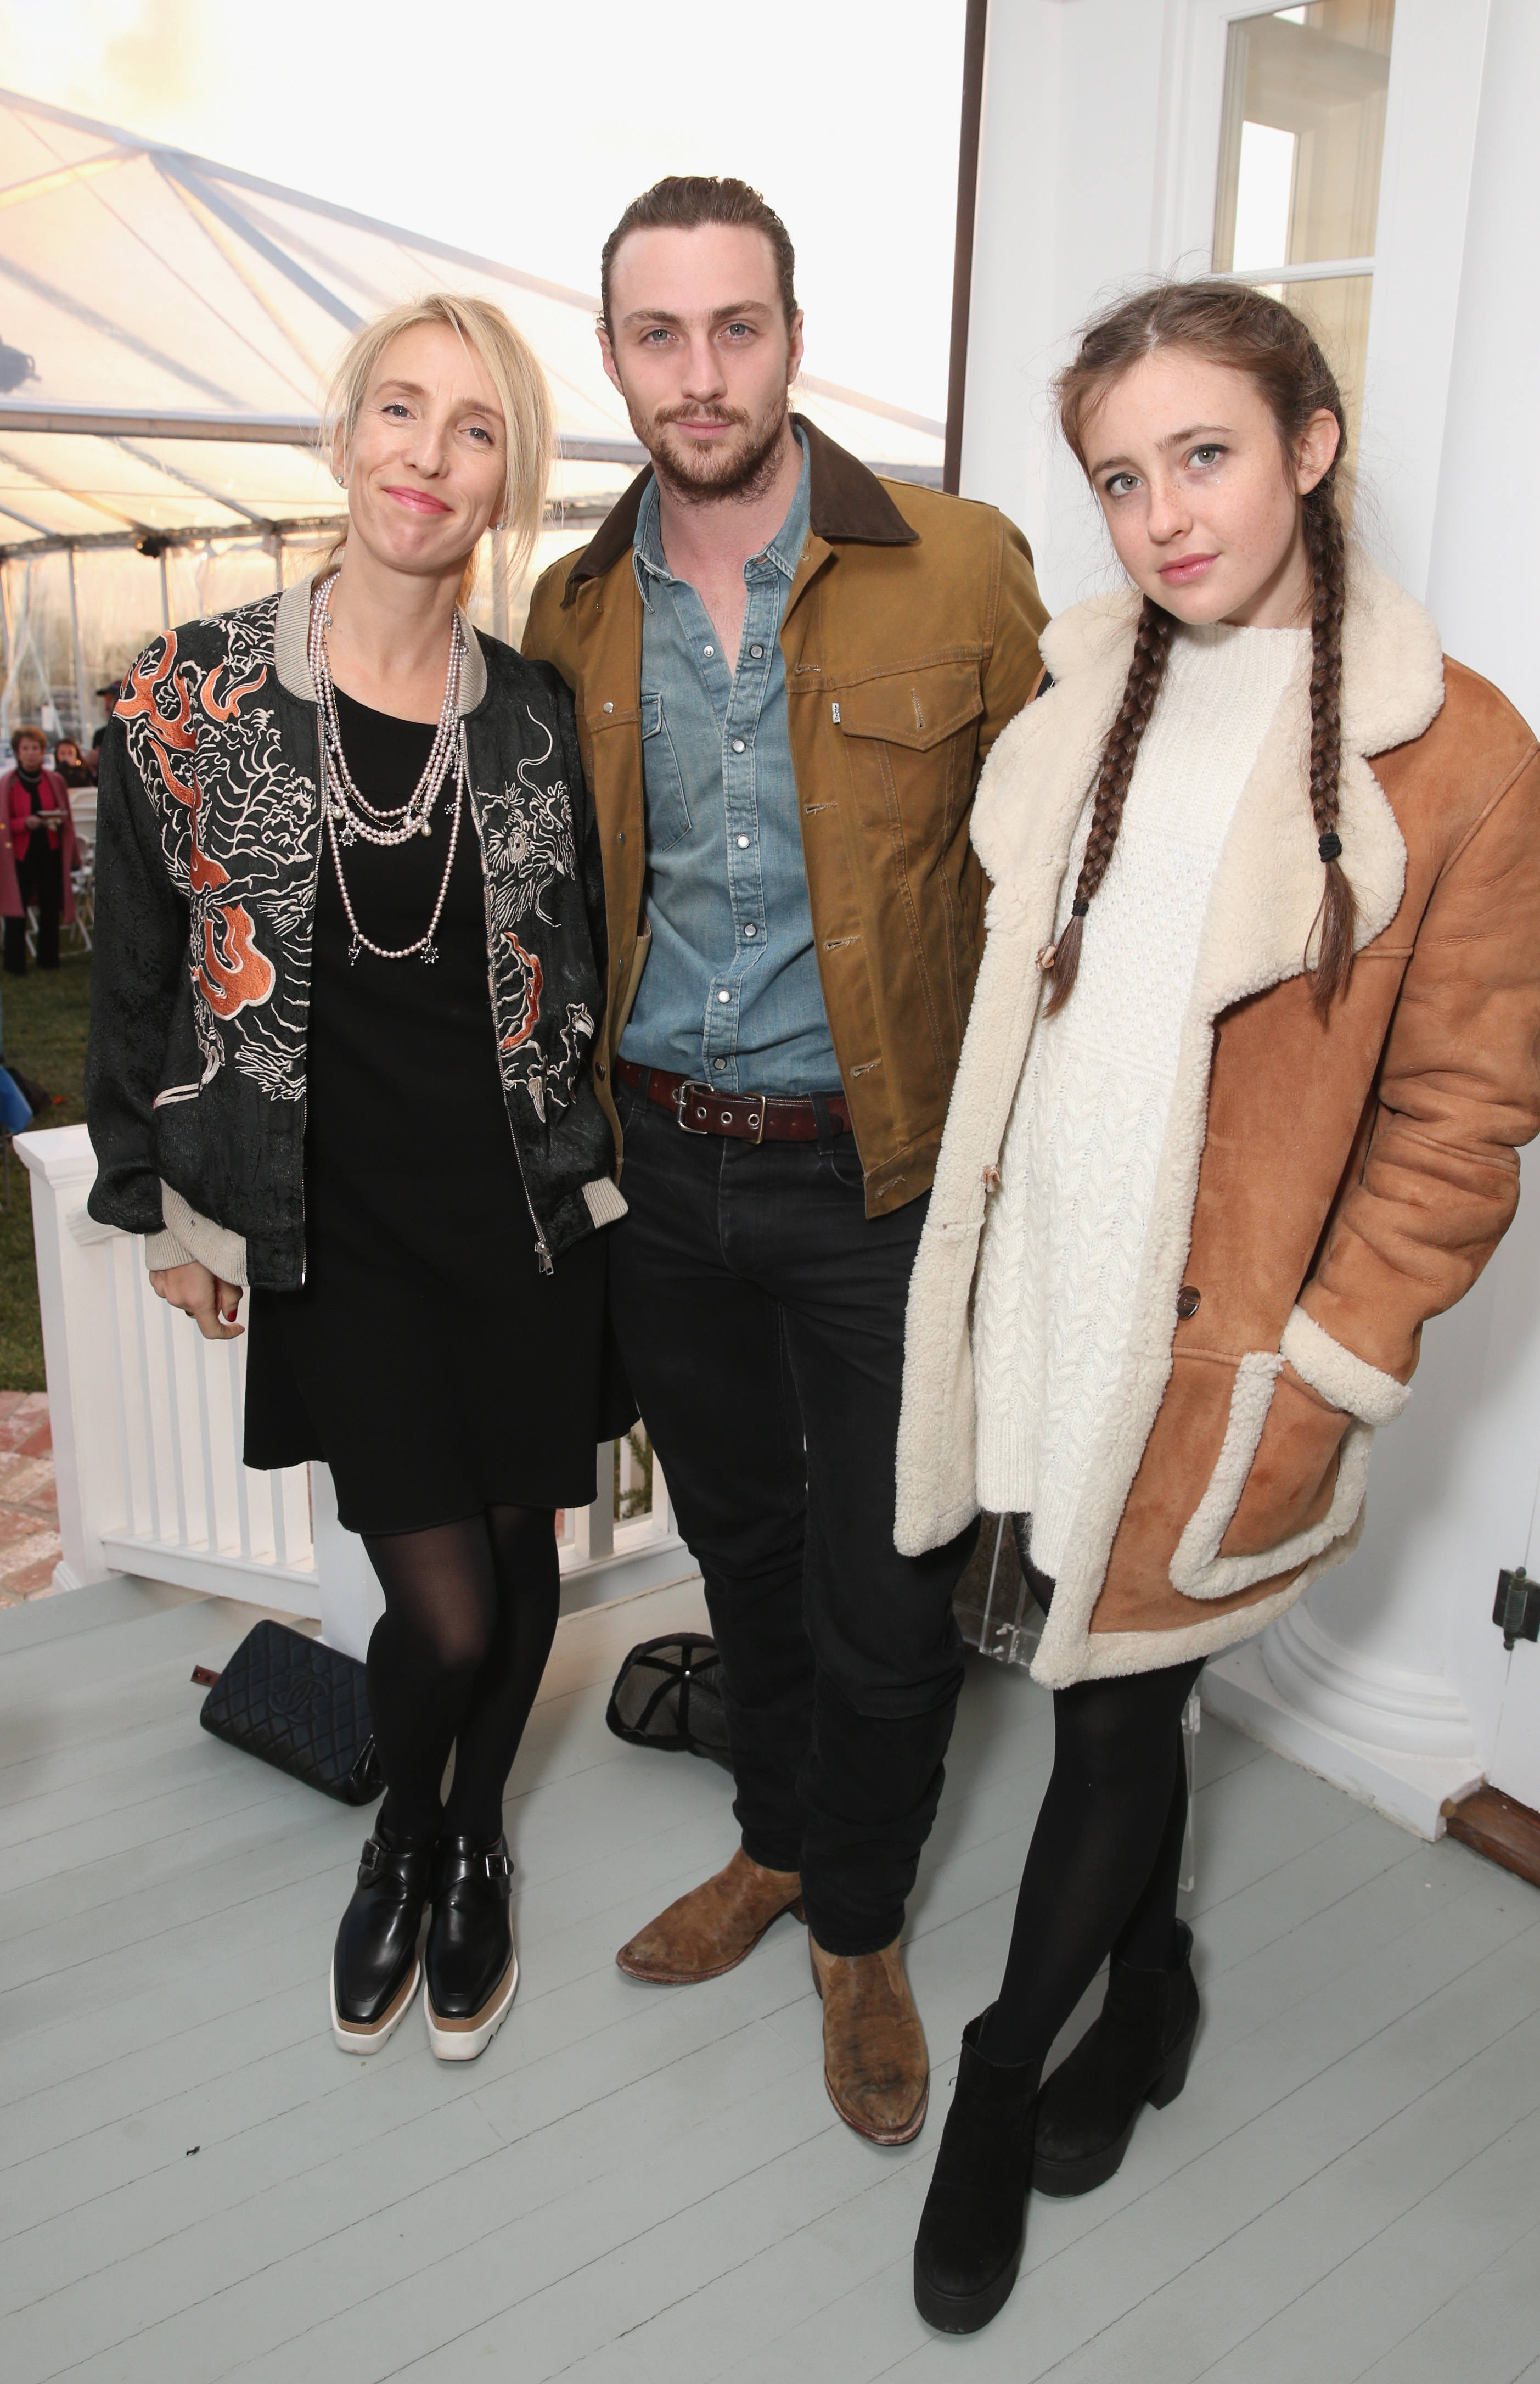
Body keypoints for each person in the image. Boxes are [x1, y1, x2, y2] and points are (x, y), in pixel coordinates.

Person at [895, 280, 1540, 2332]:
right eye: (1118, 474)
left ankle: (997, 2075)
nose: (1163, 513)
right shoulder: (1076, 694)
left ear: (1308, 444)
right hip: (1035, 1296)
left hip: (1200, 1347)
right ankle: (1157, 1985)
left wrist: (1327, 1363)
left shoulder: (1456, 756)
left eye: (1202, 453)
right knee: (1110, 1686)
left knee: (1110, 1705)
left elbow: (1459, 1118)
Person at [522, 176, 1048, 2146]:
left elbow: (1056, 874)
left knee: (887, 1577)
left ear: (791, 335)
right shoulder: (570, 612)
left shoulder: (962, 567)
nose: (698, 372)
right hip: (659, 1173)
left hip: (877, 1176)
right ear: (613, 358)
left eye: (731, 327)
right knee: (735, 1543)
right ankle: (769, 1844)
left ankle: (854, 1920)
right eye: (656, 336)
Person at [86, 293, 632, 2065]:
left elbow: (584, 959)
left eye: (473, 430)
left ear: (504, 483)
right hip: (344, 1226)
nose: (427, 455)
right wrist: (161, 1198)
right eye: (399, 411)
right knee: (444, 1600)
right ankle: (408, 1830)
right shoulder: (195, 692)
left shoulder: (535, 720)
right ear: (344, 437)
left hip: (525, 1212)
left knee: (525, 1547)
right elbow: (138, 968)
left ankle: (470, 1845)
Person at [2, 725, 80, 973]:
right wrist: (24, 823)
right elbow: (4, 821)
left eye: (35, 748)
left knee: (49, 904)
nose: (31, 754)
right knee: (17, 907)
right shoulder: (8, 782)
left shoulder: (54, 780)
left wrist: (55, 819)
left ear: (43, 751)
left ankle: (49, 960)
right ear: (17, 753)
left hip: (50, 849)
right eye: (25, 749)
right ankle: (15, 964)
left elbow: (65, 815)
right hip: (20, 853)